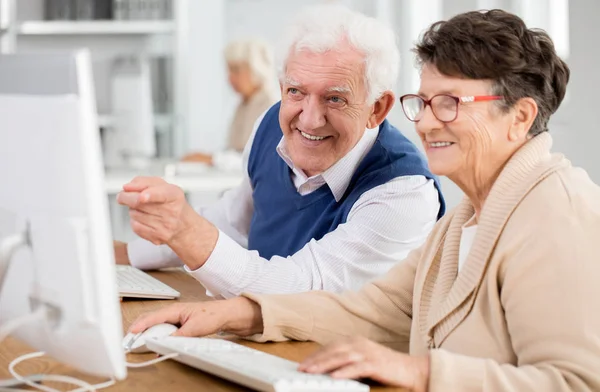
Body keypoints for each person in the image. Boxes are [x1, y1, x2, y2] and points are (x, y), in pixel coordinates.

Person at [127, 9, 600, 391]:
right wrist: (240, 313)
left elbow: (575, 382)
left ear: (519, 117)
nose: (427, 123)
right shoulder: (467, 218)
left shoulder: (558, 215)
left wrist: (421, 373)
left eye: (450, 103)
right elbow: (375, 309)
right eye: (425, 102)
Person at [114, 5, 445, 299]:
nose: (310, 120)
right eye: (296, 92)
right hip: (258, 342)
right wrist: (129, 254)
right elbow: (235, 220)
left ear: (378, 107)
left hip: (338, 357)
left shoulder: (404, 192)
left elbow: (299, 288)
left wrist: (186, 230)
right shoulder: (271, 123)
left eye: (335, 98)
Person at [181, 39, 278, 170]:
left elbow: (257, 159)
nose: (230, 78)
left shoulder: (271, 104)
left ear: (257, 68)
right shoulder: (243, 104)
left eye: (236, 70)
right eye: (229, 70)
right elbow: (235, 151)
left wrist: (212, 159)